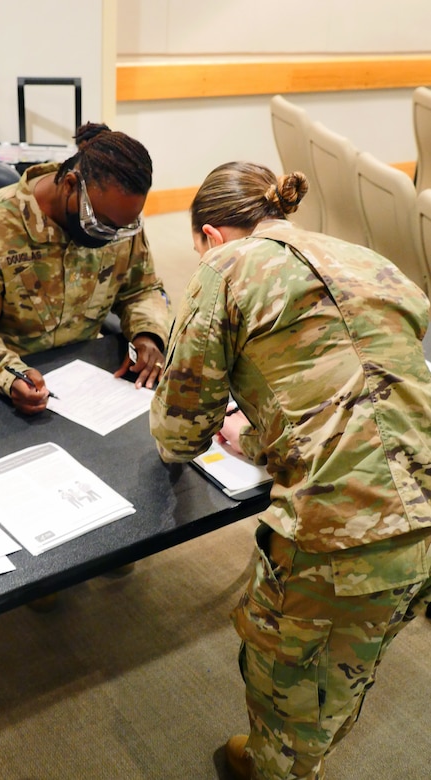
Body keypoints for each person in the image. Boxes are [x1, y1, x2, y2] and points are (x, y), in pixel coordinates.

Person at [150, 161, 431, 779]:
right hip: (423, 512)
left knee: (284, 675)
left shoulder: (225, 268)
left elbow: (177, 433)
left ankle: (278, 766)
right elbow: (358, 400)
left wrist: (212, 428)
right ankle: (307, 756)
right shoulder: (368, 259)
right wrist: (253, 436)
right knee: (349, 660)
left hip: (340, 533)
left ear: (211, 236)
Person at [0, 122, 171, 415]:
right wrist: (9, 374)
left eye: (122, 227)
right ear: (69, 185)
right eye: (101, 224)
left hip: (80, 385)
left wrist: (148, 335)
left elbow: (141, 289)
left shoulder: (115, 222)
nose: (110, 236)